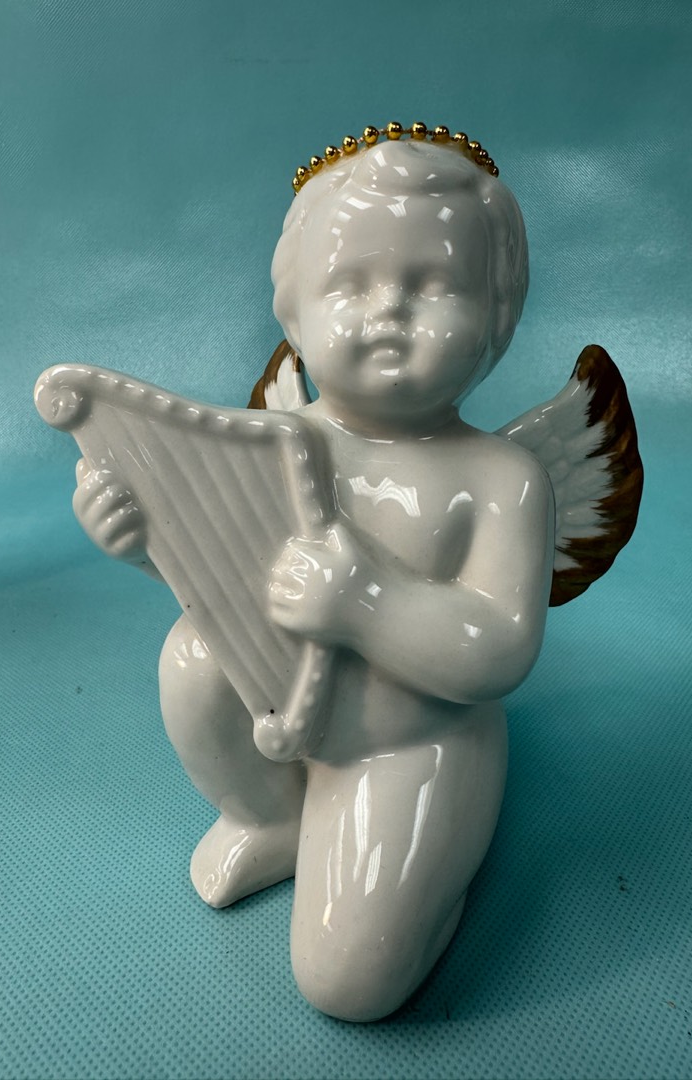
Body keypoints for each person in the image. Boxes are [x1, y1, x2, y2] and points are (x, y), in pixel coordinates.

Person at [74, 132, 555, 1021]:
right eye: (350, 284)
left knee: (348, 985)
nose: (388, 312)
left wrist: (368, 602)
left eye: (433, 286)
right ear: (293, 314)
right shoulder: (281, 445)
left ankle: (425, 885)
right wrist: (142, 542)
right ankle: (271, 817)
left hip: (417, 741)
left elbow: (498, 651)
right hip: (283, 711)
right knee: (194, 657)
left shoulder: (500, 479)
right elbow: (223, 568)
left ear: (498, 315)